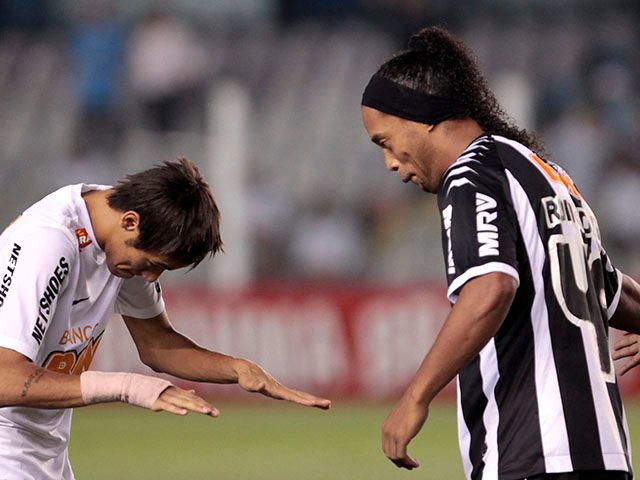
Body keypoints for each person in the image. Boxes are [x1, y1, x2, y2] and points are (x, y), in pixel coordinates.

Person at [360, 26, 640, 480]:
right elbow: (612, 291)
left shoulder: (471, 177)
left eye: (386, 142)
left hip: (530, 453)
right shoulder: (549, 175)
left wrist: (416, 395)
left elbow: (491, 286)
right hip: (603, 455)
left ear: (421, 117)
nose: (390, 162)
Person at [0, 157, 331, 479]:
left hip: (42, 451)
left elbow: (157, 345)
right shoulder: (48, 244)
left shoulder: (119, 232)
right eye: (151, 263)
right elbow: (4, 378)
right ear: (130, 222)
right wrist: (126, 387)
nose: (150, 277)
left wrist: (239, 369)